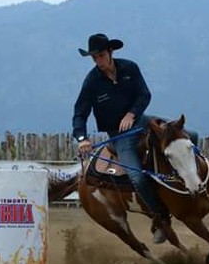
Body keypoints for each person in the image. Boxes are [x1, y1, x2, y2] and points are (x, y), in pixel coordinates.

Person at [72, 33, 171, 244]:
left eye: (100, 55)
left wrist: (132, 114)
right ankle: (160, 219)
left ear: (110, 52)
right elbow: (80, 113)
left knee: (190, 135)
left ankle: (191, 186)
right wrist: (82, 138)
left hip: (142, 120)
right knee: (136, 176)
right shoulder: (91, 82)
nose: (98, 60)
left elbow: (144, 95)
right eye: (94, 57)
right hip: (120, 135)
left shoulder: (130, 68)